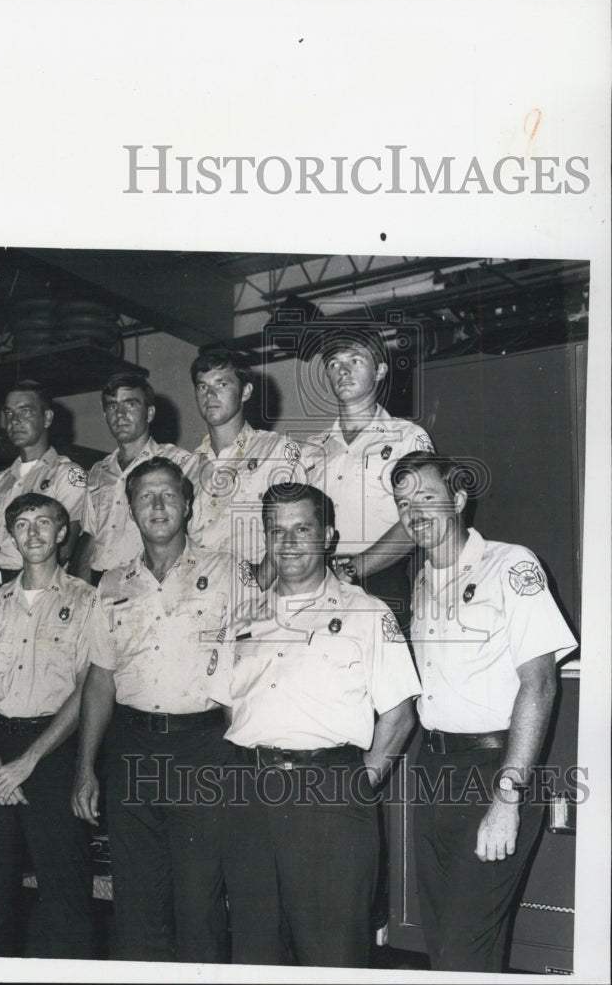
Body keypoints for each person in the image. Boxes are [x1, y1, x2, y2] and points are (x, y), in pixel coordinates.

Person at [211, 482, 421, 967]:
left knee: (332, 953)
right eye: (276, 531)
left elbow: (400, 714)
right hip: (248, 797)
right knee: (254, 947)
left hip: (330, 795)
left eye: (302, 529)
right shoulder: (241, 619)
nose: (288, 543)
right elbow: (230, 705)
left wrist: (359, 781)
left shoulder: (368, 614)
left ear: (328, 536)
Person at [390, 452, 578, 972]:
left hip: (492, 773)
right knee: (446, 949)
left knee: (464, 953)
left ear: (457, 498)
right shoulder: (424, 580)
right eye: (403, 503)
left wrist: (507, 798)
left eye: (426, 498)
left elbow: (539, 686)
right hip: (433, 772)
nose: (414, 513)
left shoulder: (511, 564)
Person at [72, 456, 250, 963]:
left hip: (205, 747)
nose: (157, 505)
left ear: (188, 503)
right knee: (136, 899)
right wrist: (86, 767)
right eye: (144, 496)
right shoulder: (111, 585)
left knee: (200, 899)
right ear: (129, 509)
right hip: (131, 748)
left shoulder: (228, 572)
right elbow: (100, 681)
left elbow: (255, 666)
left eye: (167, 494)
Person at [0, 493, 98, 958]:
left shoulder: (88, 600)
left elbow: (87, 692)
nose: (32, 532)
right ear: (10, 536)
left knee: (66, 896)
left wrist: (28, 761)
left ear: (62, 534)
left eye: (43, 523)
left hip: (52, 757)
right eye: (21, 524)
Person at [306, 329, 434, 628]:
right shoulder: (312, 447)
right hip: (315, 582)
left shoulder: (407, 437)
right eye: (334, 363)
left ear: (380, 371)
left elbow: (420, 517)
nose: (344, 370)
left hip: (382, 579)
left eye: (355, 360)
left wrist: (353, 568)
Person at [186, 349, 321, 587]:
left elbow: (294, 528)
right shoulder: (186, 467)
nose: (210, 394)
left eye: (222, 384)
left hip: (255, 582)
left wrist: (258, 587)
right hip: (196, 591)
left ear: (245, 392)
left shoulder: (276, 451)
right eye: (202, 387)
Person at [72, 373, 190, 585]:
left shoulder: (178, 462)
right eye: (112, 406)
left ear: (150, 413)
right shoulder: (98, 471)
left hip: (149, 581)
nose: (120, 414)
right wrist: (81, 591)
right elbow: (91, 537)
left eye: (131, 404)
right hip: (102, 582)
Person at [0, 380, 87, 587]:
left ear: (47, 418)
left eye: (25, 412)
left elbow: (66, 544)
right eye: (9, 413)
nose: (14, 421)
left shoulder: (66, 474)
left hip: (35, 588)